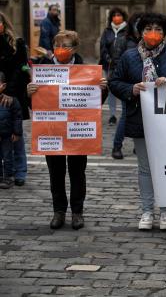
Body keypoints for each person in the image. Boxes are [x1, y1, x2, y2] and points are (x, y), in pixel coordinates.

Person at [109, 13, 166, 231]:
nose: (152, 34)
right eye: (148, 29)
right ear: (141, 32)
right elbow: (115, 82)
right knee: (145, 168)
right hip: (141, 119)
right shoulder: (129, 57)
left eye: (157, 29)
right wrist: (131, 89)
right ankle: (147, 210)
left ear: (164, 34)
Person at [27, 30, 109, 229]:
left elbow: (94, 105)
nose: (61, 50)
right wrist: (29, 93)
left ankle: (77, 212)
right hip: (52, 130)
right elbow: (34, 105)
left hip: (77, 131)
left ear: (75, 49)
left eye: (66, 46)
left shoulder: (85, 71)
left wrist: (102, 90)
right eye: (58, 46)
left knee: (77, 172)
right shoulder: (43, 70)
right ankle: (59, 211)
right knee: (55, 172)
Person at [0, 12, 30, 187]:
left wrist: (9, 92)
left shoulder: (16, 43)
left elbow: (21, 68)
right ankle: (6, 172)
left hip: (13, 94)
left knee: (15, 134)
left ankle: (20, 171)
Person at [110, 13, 142, 160]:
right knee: (125, 115)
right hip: (128, 85)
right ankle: (117, 146)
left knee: (143, 116)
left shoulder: (145, 41)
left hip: (144, 84)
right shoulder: (123, 40)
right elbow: (117, 62)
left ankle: (138, 146)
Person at [99, 7, 128, 126]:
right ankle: (112, 115)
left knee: (123, 89)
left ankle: (125, 114)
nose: (117, 17)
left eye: (119, 15)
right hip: (109, 65)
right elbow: (103, 46)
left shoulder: (127, 31)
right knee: (110, 90)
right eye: (114, 15)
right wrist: (107, 58)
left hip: (123, 66)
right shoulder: (107, 31)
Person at [0, 72, 22, 190]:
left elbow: (17, 118)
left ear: (3, 86)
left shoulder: (11, 101)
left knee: (8, 157)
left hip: (7, 135)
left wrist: (17, 132)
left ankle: (8, 177)